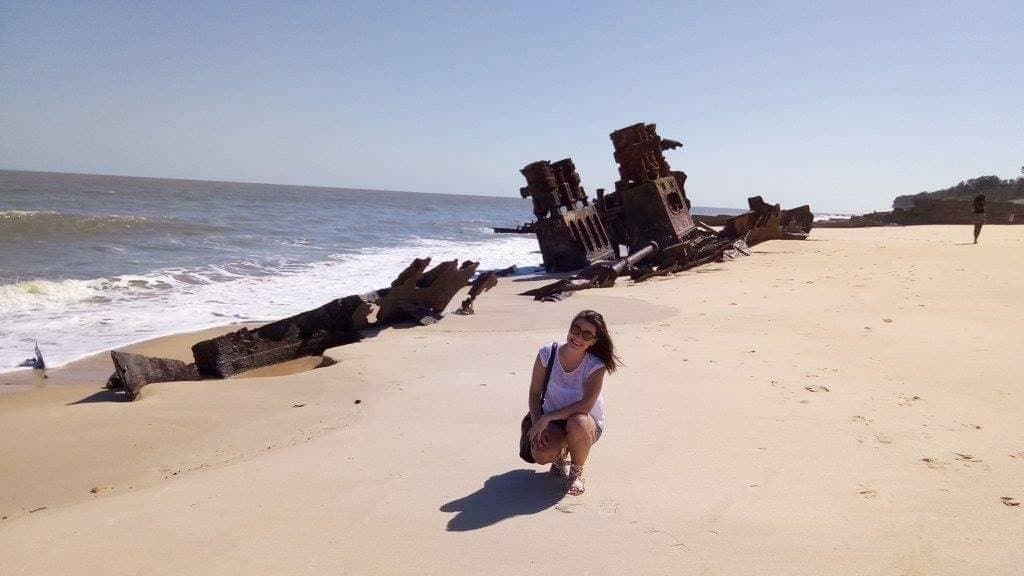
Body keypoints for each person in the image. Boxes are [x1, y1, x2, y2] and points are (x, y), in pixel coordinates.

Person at [527, 310, 620, 495]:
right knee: (541, 454)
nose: (578, 337)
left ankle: (576, 472)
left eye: (587, 334)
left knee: (577, 422)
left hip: (585, 424)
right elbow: (535, 393)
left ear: (593, 341)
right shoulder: (547, 354)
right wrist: (539, 422)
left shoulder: (595, 365)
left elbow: (585, 405)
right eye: (576, 329)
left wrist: (548, 418)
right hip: (553, 421)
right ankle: (560, 455)